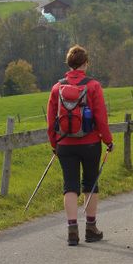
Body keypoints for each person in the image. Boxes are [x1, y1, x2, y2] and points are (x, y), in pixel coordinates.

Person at [47, 44, 114, 246]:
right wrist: (108, 140)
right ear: (85, 63)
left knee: (70, 185)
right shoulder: (93, 86)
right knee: (91, 183)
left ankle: (72, 230)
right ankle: (91, 228)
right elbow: (101, 117)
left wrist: (54, 143)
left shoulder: (57, 88)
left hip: (65, 144)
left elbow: (50, 120)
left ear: (68, 64)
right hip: (90, 143)